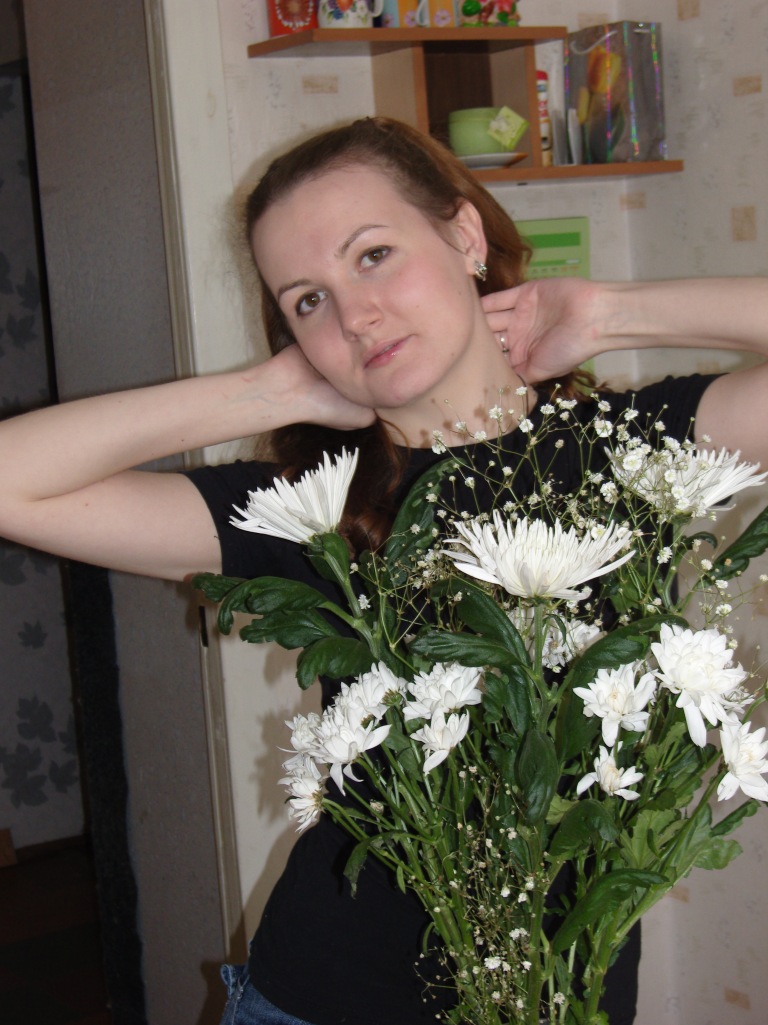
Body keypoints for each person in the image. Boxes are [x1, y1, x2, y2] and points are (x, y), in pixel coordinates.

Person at [0, 115, 766, 1025]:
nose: (354, 316)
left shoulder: (638, 450)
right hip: (325, 1001)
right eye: (307, 301)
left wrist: (610, 313)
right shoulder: (313, 509)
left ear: (465, 234)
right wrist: (266, 391)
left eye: (373, 255)